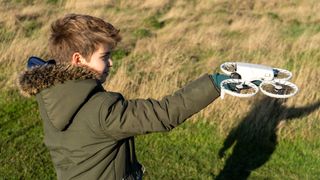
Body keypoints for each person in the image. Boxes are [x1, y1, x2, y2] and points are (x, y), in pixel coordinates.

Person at [18, 14, 228, 180]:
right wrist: (216, 83)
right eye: (104, 56)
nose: (111, 63)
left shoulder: (53, 93)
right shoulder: (102, 109)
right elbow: (163, 114)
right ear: (78, 59)